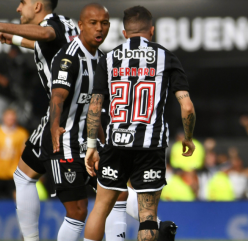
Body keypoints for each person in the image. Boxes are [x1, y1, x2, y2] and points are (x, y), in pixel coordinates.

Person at [83, 5, 196, 241]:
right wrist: (188, 137)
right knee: (147, 215)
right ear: (151, 31)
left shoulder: (109, 58)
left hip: (115, 143)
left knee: (100, 208)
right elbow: (187, 106)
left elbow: (94, 106)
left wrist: (92, 145)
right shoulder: (166, 57)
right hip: (150, 145)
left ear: (124, 33)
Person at [47, 3, 132, 241]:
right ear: (81, 25)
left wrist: (104, 138)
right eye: (93, 23)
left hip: (92, 142)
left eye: (104, 23)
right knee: (78, 211)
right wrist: (54, 126)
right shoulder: (68, 57)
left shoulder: (103, 60)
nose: (100, 28)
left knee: (119, 194)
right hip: (64, 141)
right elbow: (58, 97)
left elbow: (96, 109)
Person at [0, 1, 79, 240]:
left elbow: (45, 33)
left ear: (36, 6)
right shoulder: (66, 23)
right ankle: (153, 223)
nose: (17, 9)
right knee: (23, 175)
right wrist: (12, 39)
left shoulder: (50, 25)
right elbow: (43, 43)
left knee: (79, 209)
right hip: (79, 110)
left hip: (64, 115)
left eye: (22, 3)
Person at [0, 108, 28, 199]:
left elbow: (24, 153)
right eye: (8, 118)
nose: (10, 120)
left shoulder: (21, 133)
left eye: (12, 118)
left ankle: (17, 212)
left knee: (16, 196)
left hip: (14, 172)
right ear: (3, 118)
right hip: (1, 171)